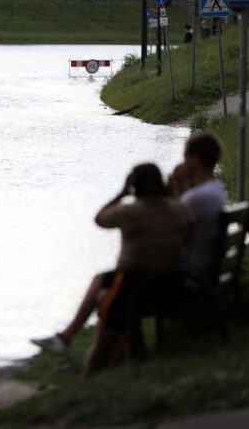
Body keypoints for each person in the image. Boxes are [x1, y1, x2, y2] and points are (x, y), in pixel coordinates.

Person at [31, 164, 190, 375]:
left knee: (103, 330)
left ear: (135, 185)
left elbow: (100, 219)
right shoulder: (178, 209)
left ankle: (79, 360)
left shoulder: (131, 211)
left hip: (134, 288)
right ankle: (80, 342)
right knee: (104, 285)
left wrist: (122, 193)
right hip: (172, 286)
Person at [180, 131, 227, 279]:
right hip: (208, 270)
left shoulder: (196, 197)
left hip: (191, 274)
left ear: (195, 159)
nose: (183, 162)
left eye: (185, 156)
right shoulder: (219, 189)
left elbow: (170, 231)